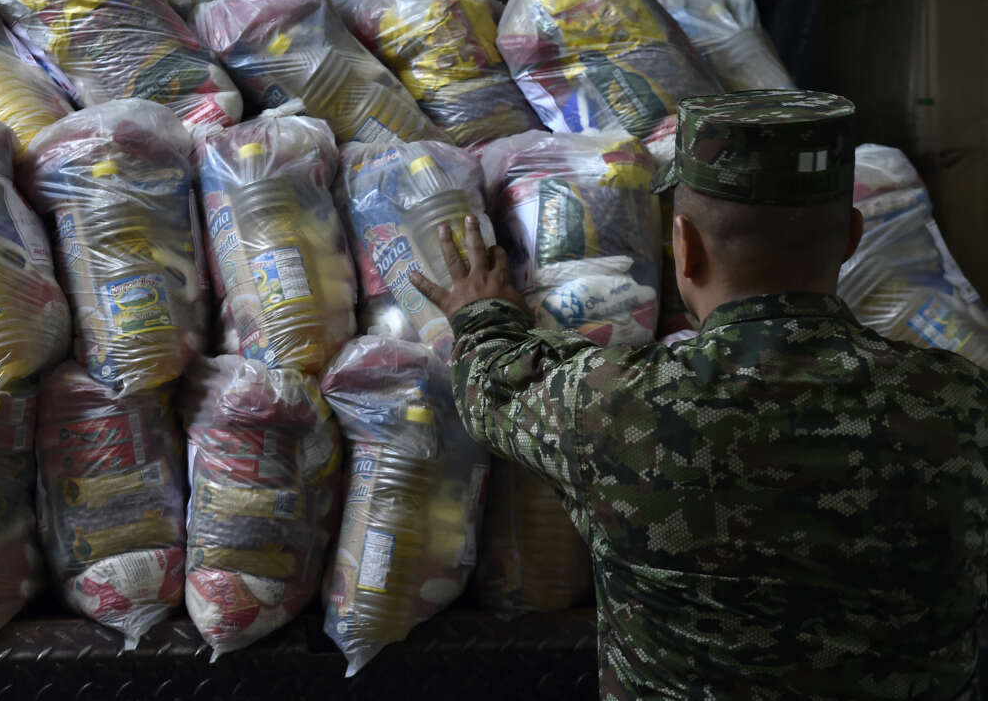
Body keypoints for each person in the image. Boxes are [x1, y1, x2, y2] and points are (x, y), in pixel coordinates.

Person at [409, 90, 988, 699]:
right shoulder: (962, 406)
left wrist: (483, 317)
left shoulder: (615, 406)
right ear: (849, 237)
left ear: (683, 246)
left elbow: (490, 389)